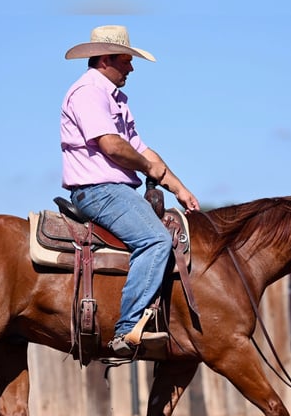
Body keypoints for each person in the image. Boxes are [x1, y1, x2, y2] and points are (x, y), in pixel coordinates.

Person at [61, 24, 200, 357]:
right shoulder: (88, 93)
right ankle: (127, 328)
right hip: (99, 190)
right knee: (155, 239)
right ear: (106, 58)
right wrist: (146, 167)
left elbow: (141, 149)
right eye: (126, 60)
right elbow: (112, 146)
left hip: (114, 189)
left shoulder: (115, 98)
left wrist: (179, 187)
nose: (131, 67)